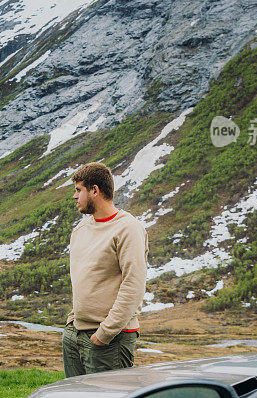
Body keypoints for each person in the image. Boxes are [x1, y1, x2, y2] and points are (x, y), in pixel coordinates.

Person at [62, 161, 148, 377]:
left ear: (95, 191)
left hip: (109, 341)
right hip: (76, 335)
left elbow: (134, 286)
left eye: (78, 190)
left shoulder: (128, 228)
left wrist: (105, 333)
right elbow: (83, 279)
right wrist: (72, 321)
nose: (75, 196)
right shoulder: (81, 229)